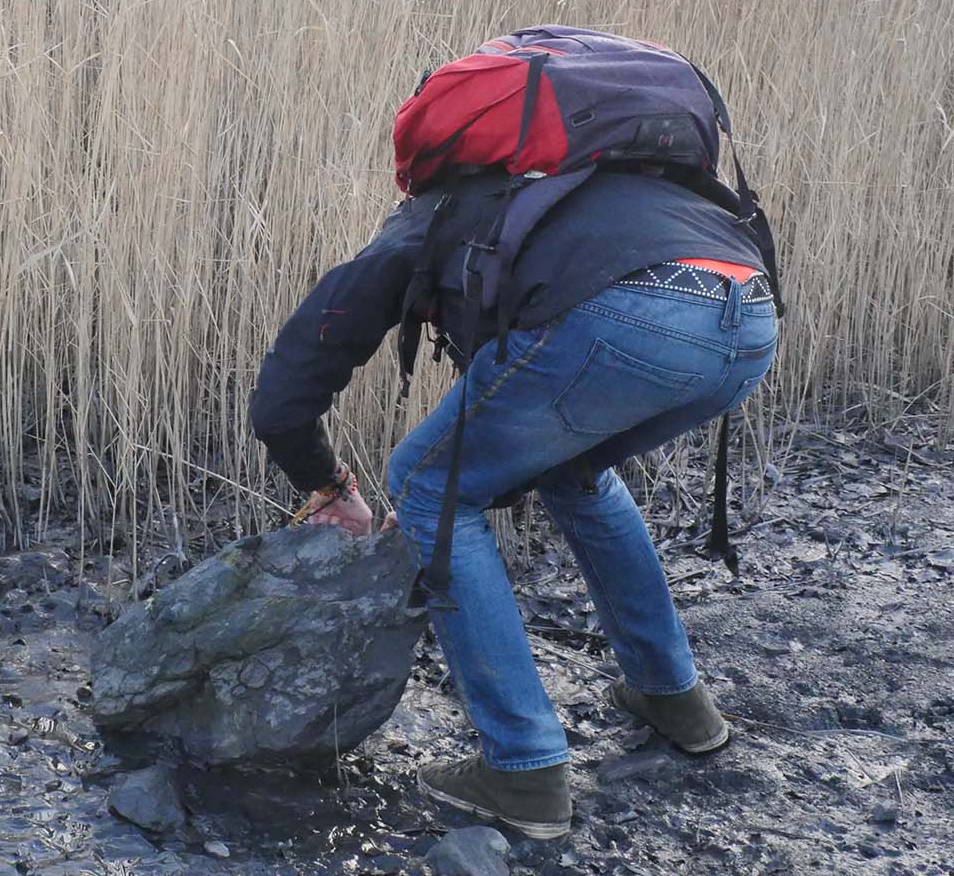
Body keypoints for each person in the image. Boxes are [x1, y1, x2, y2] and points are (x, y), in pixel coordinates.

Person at [248, 158, 778, 840]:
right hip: (750, 315)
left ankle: (524, 770)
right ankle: (676, 700)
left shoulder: (433, 218)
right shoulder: (578, 193)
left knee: (426, 481)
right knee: (573, 469)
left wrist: (330, 486)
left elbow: (283, 398)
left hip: (637, 316)